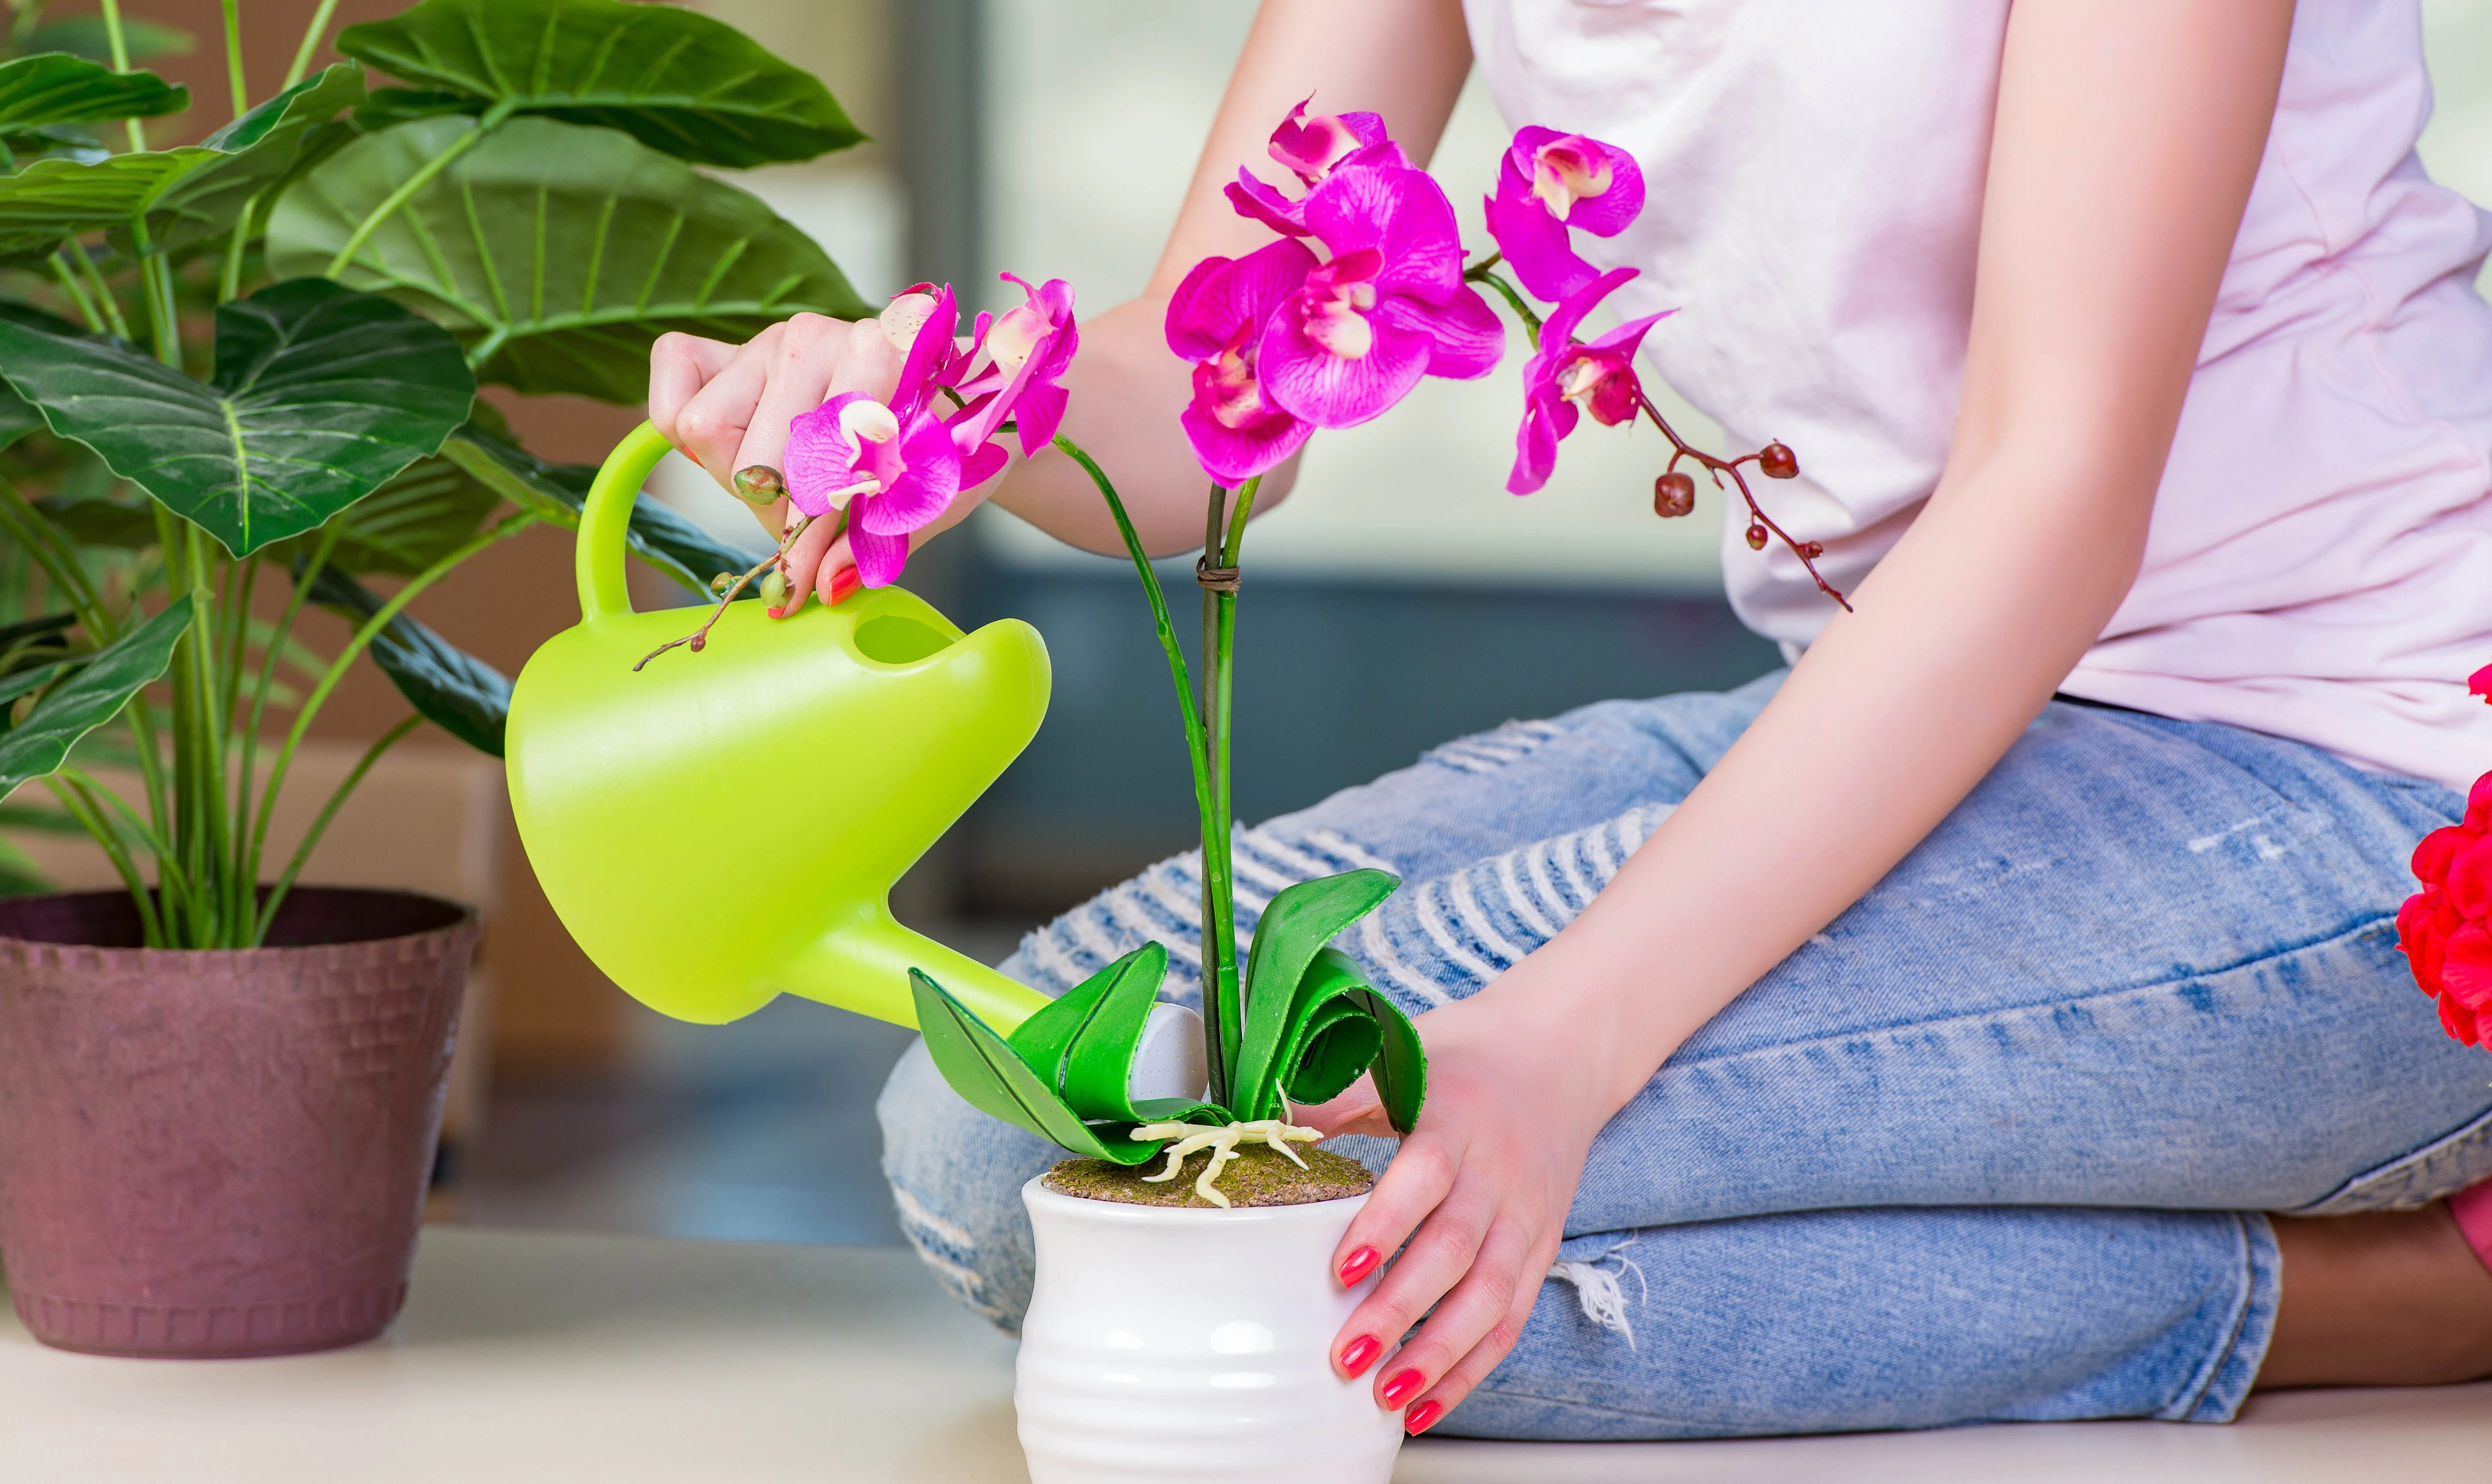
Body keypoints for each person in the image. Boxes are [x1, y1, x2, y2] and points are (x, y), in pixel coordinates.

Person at [647, 0, 2492, 1439]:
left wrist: (1558, 1040)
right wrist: (957, 401)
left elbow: (2051, 496)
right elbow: (1217, 403)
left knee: (1279, 1233)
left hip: (2359, 774)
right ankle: (2302, 1265)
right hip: (1895, 730)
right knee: (1020, 1132)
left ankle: (2392, 1295)